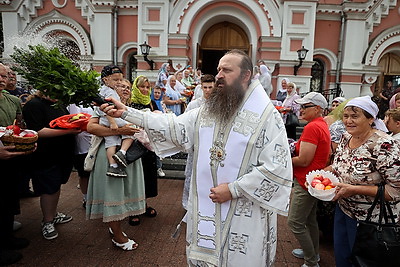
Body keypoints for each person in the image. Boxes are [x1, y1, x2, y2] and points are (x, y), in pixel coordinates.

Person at [101, 49, 293, 266]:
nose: (219, 75)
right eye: (219, 69)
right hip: (208, 204)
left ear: (245, 75)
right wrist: (126, 112)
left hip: (244, 212)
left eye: (227, 70)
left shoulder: (267, 116)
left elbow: (278, 167)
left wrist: (233, 190)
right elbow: (174, 125)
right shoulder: (210, 109)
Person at [324, 96, 400, 267]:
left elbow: (395, 191)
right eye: (346, 116)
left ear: (371, 118)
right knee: (342, 258)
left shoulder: (384, 145)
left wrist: (355, 189)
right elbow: (338, 167)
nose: (348, 121)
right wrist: (320, 176)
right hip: (344, 210)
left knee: (364, 262)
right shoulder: (345, 138)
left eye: (355, 116)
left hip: (370, 220)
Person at [85, 109, 146, 251]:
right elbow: (91, 127)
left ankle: (115, 227)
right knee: (113, 193)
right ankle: (118, 235)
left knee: (123, 194)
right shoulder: (104, 107)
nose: (125, 89)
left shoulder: (127, 107)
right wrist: (120, 130)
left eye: (127, 86)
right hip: (109, 155)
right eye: (120, 85)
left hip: (129, 155)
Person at [23, 91, 80, 240]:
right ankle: (47, 221)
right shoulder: (34, 105)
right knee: (49, 188)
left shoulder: (57, 104)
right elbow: (37, 131)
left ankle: (53, 214)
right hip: (46, 155)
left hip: (61, 154)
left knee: (54, 186)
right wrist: (68, 131)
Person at [288, 92, 330, 267]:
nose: (301, 110)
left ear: (318, 109)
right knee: (310, 220)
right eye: (301, 106)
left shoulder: (312, 127)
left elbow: (304, 160)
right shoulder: (320, 124)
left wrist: (283, 161)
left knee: (295, 222)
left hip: (306, 181)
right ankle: (312, 253)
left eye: (305, 106)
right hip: (312, 180)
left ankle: (311, 261)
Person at [0, 63, 30, 266]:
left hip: (10, 158)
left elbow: (19, 126)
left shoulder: (11, 100)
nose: (2, 78)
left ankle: (7, 237)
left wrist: (28, 140)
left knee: (8, 199)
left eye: (5, 75)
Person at [127, 75, 161, 226]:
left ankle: (143, 204)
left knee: (147, 175)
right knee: (135, 177)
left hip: (149, 147)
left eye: (148, 87)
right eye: (142, 86)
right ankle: (132, 209)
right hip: (134, 146)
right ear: (136, 87)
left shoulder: (152, 103)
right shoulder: (130, 104)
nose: (146, 90)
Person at [182, 74, 215, 210]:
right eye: (205, 87)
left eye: (210, 87)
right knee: (191, 174)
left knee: (209, 176)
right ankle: (188, 205)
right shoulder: (194, 105)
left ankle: (206, 205)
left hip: (212, 146)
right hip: (196, 145)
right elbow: (184, 123)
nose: (207, 90)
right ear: (201, 87)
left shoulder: (219, 104)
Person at [97, 65, 134, 178]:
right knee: (132, 129)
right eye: (115, 80)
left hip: (104, 121)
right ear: (106, 80)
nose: (118, 82)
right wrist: (112, 122)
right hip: (110, 119)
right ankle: (122, 152)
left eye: (120, 79)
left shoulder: (103, 90)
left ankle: (113, 166)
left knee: (111, 142)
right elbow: (107, 108)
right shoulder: (109, 92)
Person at [68, 104, 93, 208]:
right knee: (84, 174)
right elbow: (74, 120)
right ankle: (86, 198)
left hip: (96, 142)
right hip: (82, 145)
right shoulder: (73, 103)